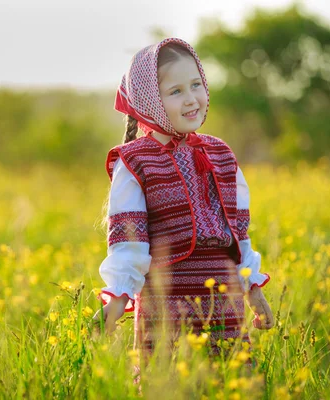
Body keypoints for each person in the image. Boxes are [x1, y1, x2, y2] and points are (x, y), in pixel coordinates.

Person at [93, 37, 274, 354]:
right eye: (176, 91)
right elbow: (129, 242)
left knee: (228, 383)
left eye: (195, 85)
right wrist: (119, 296)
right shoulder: (135, 162)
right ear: (149, 100)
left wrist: (253, 288)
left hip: (226, 305)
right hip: (167, 304)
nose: (191, 99)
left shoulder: (220, 153)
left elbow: (239, 236)